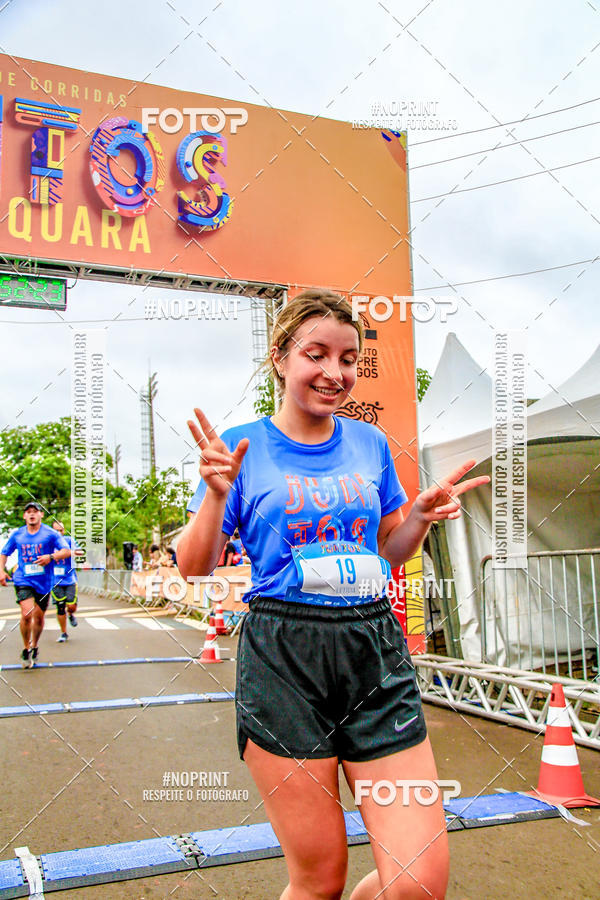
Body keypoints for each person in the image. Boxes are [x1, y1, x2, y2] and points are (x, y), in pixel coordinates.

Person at [178, 290, 489, 899]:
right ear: (279, 357)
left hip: (373, 647)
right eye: (315, 354)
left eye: (347, 359)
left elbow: (390, 553)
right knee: (320, 881)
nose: (333, 372)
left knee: (419, 882)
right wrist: (216, 495)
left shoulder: (369, 444)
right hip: (283, 656)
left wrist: (419, 517)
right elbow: (193, 566)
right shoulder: (241, 445)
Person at [0, 502, 71, 667]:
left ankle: (34, 645)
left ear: (41, 515)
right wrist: (1, 571)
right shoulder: (18, 534)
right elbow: (4, 552)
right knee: (27, 613)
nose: (32, 514)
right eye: (28, 512)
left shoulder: (51, 534)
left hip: (44, 582)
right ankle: (26, 648)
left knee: (39, 618)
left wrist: (51, 557)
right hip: (23, 579)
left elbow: (66, 551)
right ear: (24, 516)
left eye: (35, 511)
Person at [50, 520, 79, 643]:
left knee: (71, 606)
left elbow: (79, 552)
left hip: (69, 579)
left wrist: (71, 553)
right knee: (60, 607)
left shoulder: (69, 541)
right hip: (54, 581)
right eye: (56, 531)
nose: (59, 533)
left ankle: (71, 614)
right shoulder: (47, 543)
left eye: (61, 530)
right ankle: (63, 633)